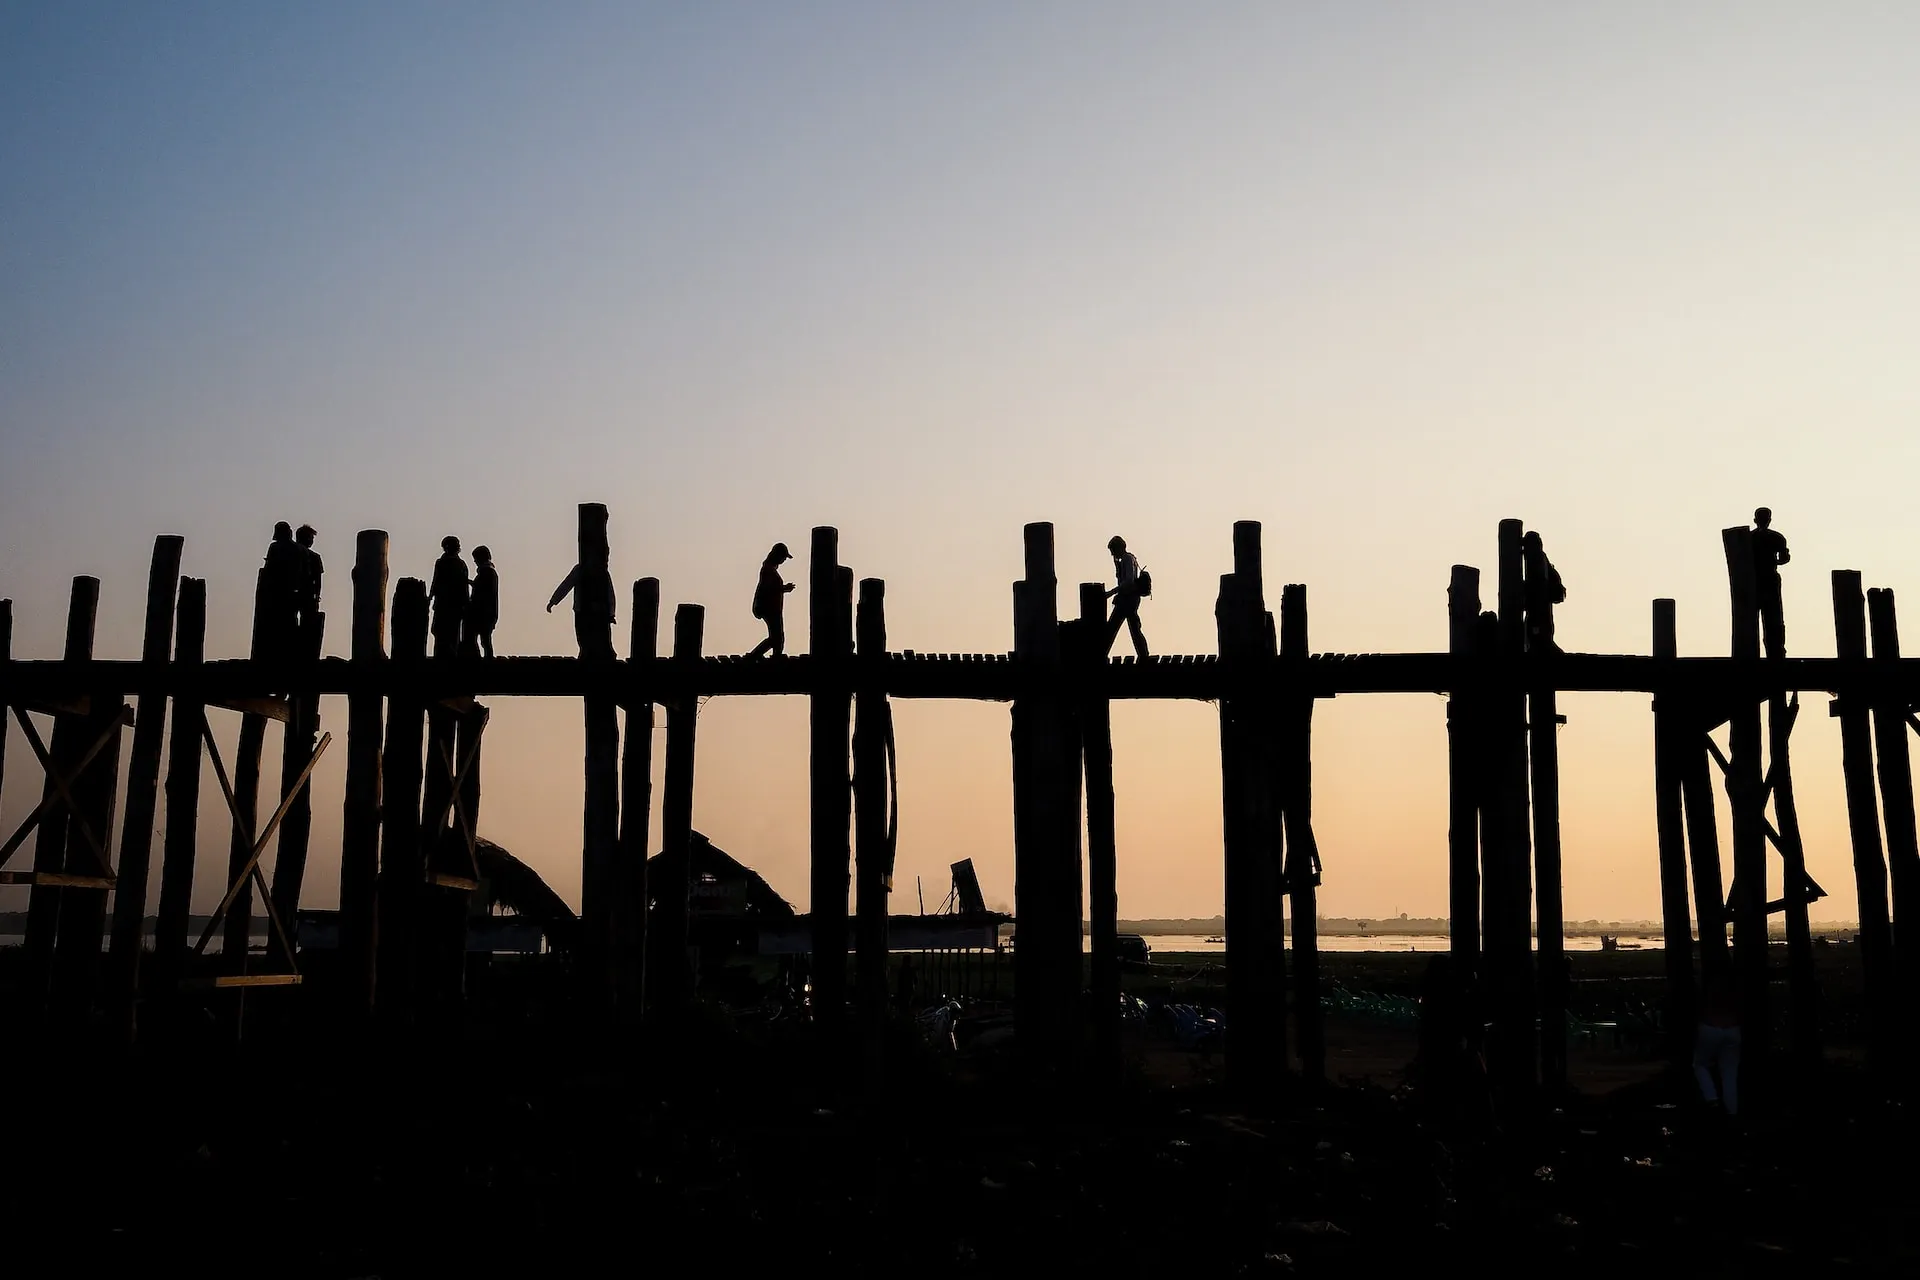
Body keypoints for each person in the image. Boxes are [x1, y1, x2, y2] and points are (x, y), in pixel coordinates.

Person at [548, 552, 617, 661]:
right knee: (584, 638)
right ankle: (586, 655)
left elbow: (610, 594)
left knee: (602, 639)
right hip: (582, 611)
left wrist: (611, 613)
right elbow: (566, 585)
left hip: (598, 613)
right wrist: (554, 600)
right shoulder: (579, 570)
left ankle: (604, 656)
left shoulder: (602, 573)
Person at [1693, 968, 1741, 1118]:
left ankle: (1711, 1098)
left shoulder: (1707, 991)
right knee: (1730, 1074)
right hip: (1733, 1028)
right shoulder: (1734, 990)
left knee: (1699, 1064)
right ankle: (1732, 1112)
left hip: (1710, 1027)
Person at [261, 521, 304, 661]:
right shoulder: (298, 549)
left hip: (276, 592)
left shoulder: (275, 547)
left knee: (276, 625)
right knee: (291, 622)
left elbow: (268, 568)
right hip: (293, 591)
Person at [1103, 535, 1151, 659]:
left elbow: (1128, 581)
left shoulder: (1127, 559)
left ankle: (1101, 653)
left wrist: (1112, 592)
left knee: (1112, 627)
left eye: (1112, 551)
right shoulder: (1128, 559)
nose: (1112, 554)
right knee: (1133, 628)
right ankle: (1144, 655)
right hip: (1129, 599)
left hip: (1128, 599)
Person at [746, 543, 796, 658]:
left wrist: (783, 589)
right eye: (783, 557)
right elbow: (769, 588)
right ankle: (755, 656)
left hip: (771, 607)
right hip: (769, 607)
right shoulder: (768, 570)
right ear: (777, 556)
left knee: (777, 637)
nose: (784, 560)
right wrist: (784, 588)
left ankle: (772, 656)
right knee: (777, 637)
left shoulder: (769, 569)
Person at [1752, 507, 1790, 659]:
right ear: (1770, 520)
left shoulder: (1749, 538)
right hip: (1769, 580)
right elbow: (1784, 558)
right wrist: (1773, 561)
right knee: (1773, 620)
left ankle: (1753, 653)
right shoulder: (1777, 537)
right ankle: (1776, 653)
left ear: (1755, 520)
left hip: (1754, 582)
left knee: (1752, 621)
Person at [1521, 530, 1565, 653]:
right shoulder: (1542, 560)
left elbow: (1537, 586)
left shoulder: (1537, 560)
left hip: (1538, 611)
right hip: (1540, 611)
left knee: (1537, 635)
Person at [427, 535, 469, 659]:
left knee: (441, 633)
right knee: (451, 634)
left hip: (444, 605)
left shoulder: (442, 563)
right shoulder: (461, 564)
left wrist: (430, 598)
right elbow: (464, 588)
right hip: (454, 606)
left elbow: (435, 582)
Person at [467, 545, 499, 659]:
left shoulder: (486, 573)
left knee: (481, 640)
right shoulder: (490, 573)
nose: (475, 561)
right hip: (489, 613)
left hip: (483, 613)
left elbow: (482, 592)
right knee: (485, 641)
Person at [294, 524, 323, 630]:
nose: (312, 541)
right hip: (307, 594)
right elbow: (318, 579)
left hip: (293, 594)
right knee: (308, 624)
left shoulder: (290, 554)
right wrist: (317, 595)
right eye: (311, 538)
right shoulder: (315, 557)